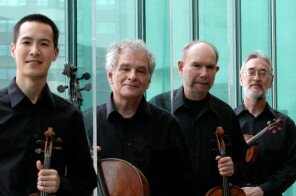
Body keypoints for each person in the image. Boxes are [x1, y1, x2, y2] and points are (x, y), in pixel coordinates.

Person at [0, 14, 97, 195]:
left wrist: (61, 183)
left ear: (55, 53)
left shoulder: (70, 115)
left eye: (44, 44)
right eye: (26, 42)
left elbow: (87, 181)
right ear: (13, 49)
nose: (35, 51)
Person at [85, 39, 196, 196]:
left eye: (141, 71)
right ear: (110, 76)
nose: (133, 76)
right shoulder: (88, 122)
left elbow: (185, 185)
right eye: (125, 68)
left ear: (149, 80)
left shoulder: (167, 124)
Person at [150, 40, 247, 195]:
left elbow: (243, 163)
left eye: (210, 67)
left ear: (216, 70)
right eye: (196, 65)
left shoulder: (226, 114)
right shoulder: (157, 108)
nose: (204, 73)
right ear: (181, 67)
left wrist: (234, 167)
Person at [234, 51, 296, 196]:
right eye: (251, 73)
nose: (256, 78)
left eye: (263, 73)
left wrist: (263, 189)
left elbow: (292, 166)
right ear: (241, 79)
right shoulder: (227, 120)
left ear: (271, 81)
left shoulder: (285, 124)